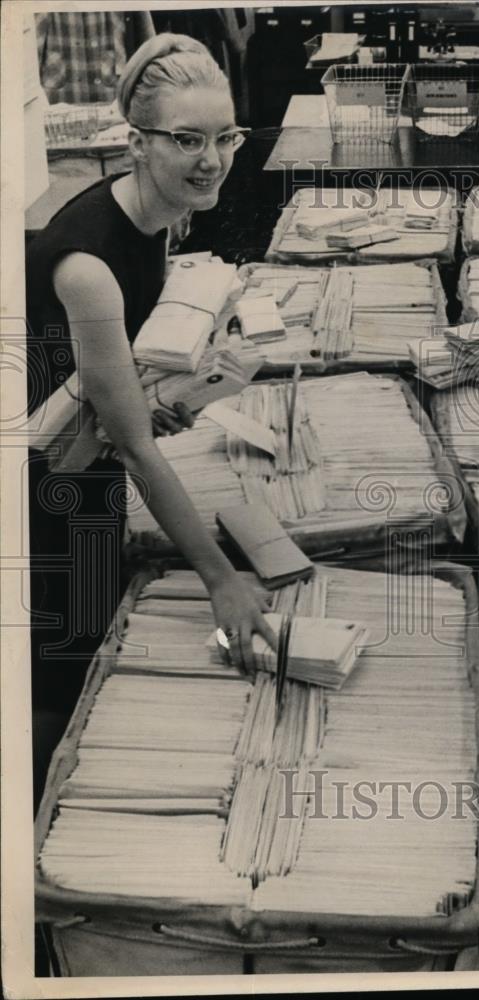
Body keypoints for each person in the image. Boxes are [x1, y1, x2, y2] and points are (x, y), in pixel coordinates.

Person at [26, 33, 277, 806]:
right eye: (186, 141)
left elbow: (119, 398)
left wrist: (157, 402)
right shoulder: (90, 265)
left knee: (92, 632)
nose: (212, 160)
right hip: (40, 490)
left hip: (79, 459)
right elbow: (132, 448)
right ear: (136, 142)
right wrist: (221, 579)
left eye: (224, 138)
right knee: (61, 668)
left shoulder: (161, 211)